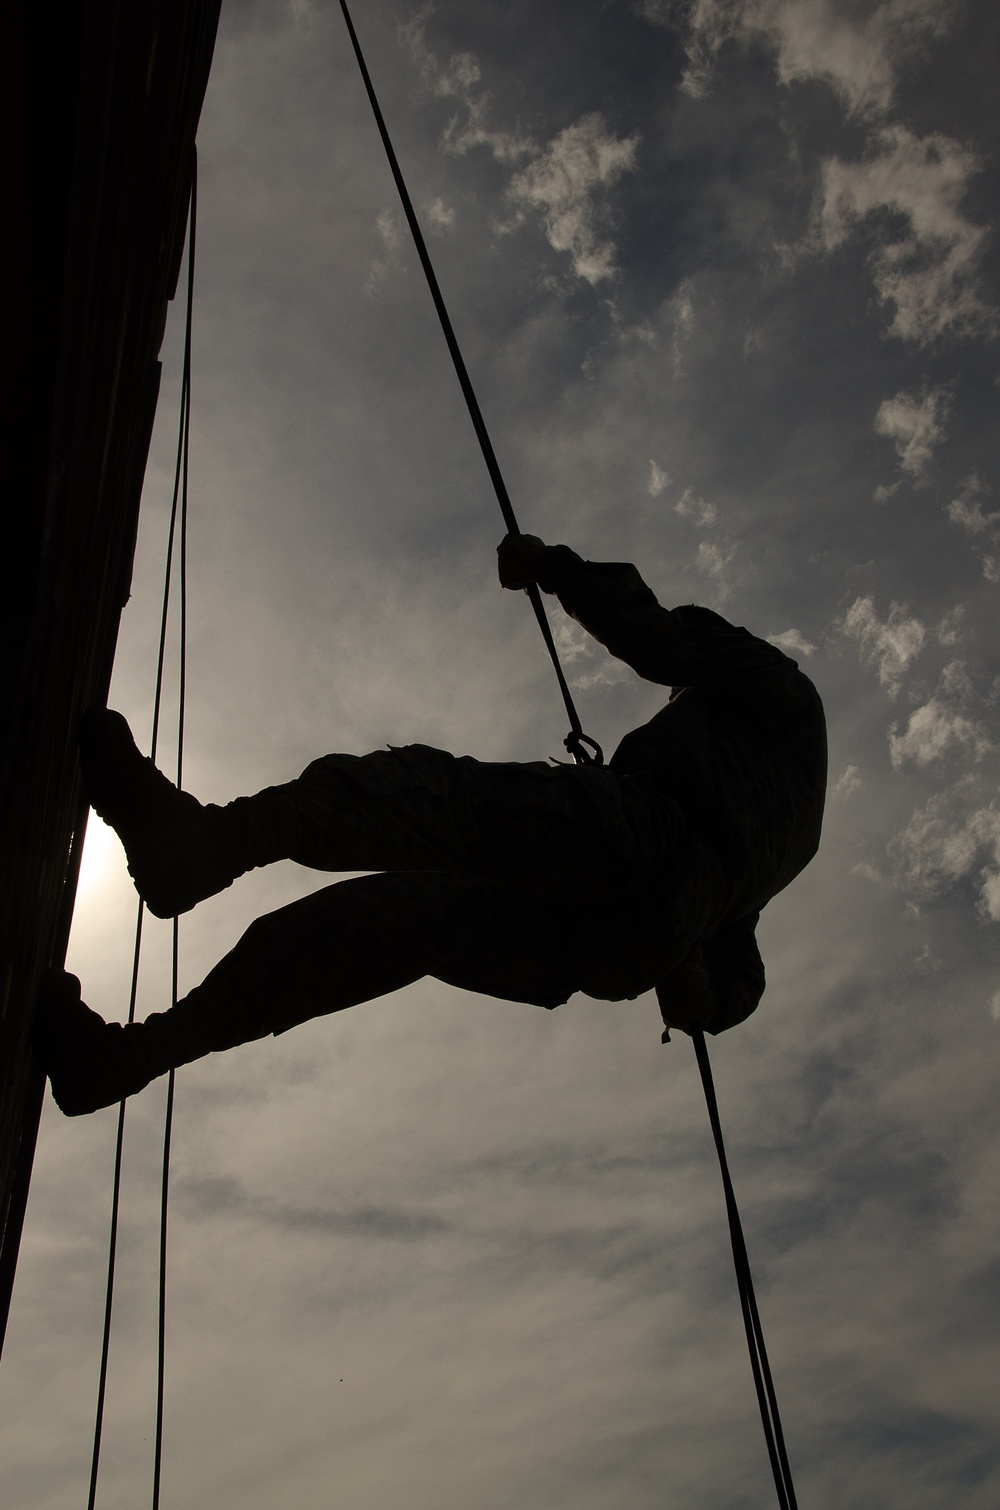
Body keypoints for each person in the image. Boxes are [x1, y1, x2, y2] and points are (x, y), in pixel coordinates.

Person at [34, 534, 827, 1116]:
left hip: (638, 833)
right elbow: (739, 970)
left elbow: (659, 638)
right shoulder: (788, 833)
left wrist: (557, 570)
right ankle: (126, 1060)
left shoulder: (776, 689)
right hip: (616, 950)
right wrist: (705, 995)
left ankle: (211, 847)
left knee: (443, 802)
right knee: (394, 929)